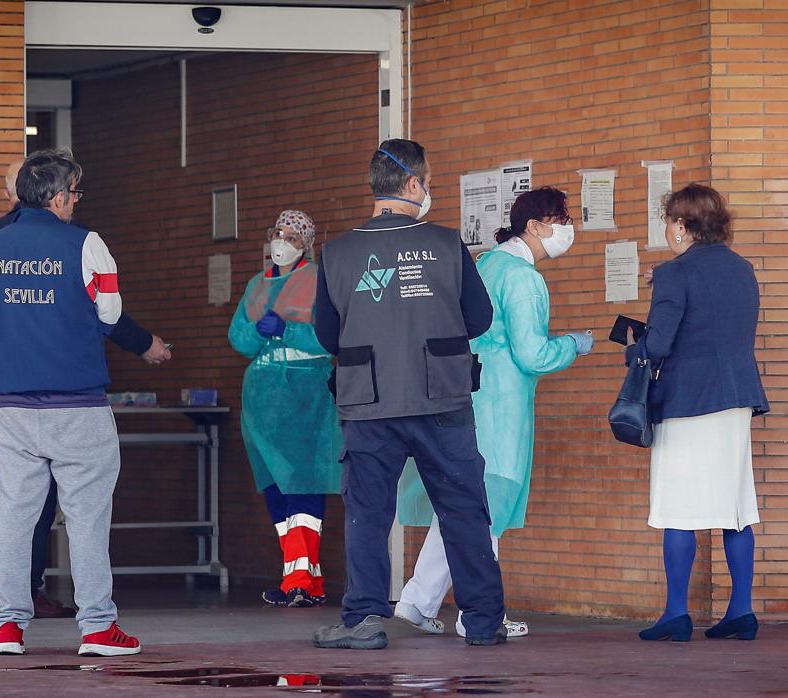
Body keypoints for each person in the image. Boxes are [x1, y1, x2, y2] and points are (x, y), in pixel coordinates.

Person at [311, 138, 507, 650]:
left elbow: (326, 336)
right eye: (430, 182)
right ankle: (484, 620)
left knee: (368, 513)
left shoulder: (337, 252)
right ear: (415, 184)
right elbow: (479, 318)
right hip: (442, 398)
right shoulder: (446, 245)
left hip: (368, 400)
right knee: (464, 508)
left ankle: (363, 621)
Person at [0, 160, 171, 619]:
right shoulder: (86, 244)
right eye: (75, 194)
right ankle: (97, 627)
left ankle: (7, 626)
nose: (76, 202)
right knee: (87, 519)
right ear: (57, 198)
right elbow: (110, 315)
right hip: (77, 404)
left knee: (13, 517)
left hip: (10, 404)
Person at [395, 187, 591, 639]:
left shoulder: (484, 265)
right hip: (501, 405)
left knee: (461, 508)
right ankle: (479, 613)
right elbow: (533, 354)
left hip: (464, 398)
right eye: (562, 219)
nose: (568, 229)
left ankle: (417, 600)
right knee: (486, 511)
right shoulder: (523, 278)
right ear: (537, 225)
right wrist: (572, 345)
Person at [632, 183, 767, 643]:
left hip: (688, 401)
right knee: (735, 506)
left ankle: (675, 614)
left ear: (684, 225)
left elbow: (661, 342)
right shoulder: (742, 268)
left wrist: (635, 347)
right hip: (735, 400)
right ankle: (741, 611)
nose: (667, 229)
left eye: (669, 220)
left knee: (678, 508)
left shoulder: (675, 273)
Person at [227, 209, 341, 608]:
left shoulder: (318, 282)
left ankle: (299, 580)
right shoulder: (257, 286)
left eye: (292, 235)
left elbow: (332, 337)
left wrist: (289, 330)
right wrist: (255, 333)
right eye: (278, 231)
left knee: (303, 487)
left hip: (304, 397)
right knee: (277, 490)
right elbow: (239, 338)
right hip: (262, 400)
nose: (282, 240)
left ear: (306, 244)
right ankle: (301, 578)